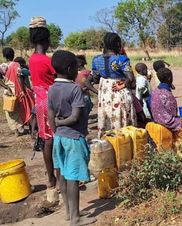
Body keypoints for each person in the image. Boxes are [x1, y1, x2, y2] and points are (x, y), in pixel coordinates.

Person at [48, 50, 96, 226]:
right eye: (76, 67)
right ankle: (76, 218)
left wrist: (56, 129)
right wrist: (61, 124)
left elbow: (50, 116)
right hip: (74, 138)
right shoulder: (75, 89)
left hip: (59, 139)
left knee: (62, 175)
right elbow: (75, 117)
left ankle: (68, 213)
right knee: (73, 178)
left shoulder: (52, 89)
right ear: (69, 69)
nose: (78, 71)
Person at [85, 32, 137, 137]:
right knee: (121, 120)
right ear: (117, 44)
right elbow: (130, 78)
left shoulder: (96, 59)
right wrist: (123, 85)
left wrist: (98, 92)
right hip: (119, 94)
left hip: (104, 96)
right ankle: (123, 144)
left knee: (107, 120)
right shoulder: (121, 59)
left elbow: (89, 81)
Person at [28, 16, 57, 188]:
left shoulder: (32, 59)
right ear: (46, 39)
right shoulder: (48, 61)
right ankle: (62, 178)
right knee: (58, 139)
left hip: (39, 102)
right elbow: (58, 79)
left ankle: (51, 178)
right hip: (52, 102)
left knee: (47, 140)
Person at [0, 47, 35, 135]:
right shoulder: (16, 65)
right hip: (18, 89)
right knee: (22, 109)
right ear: (13, 54)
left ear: (4, 56)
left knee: (11, 111)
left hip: (8, 91)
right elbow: (20, 77)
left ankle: (16, 130)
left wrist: (6, 87)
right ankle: (22, 128)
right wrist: (23, 90)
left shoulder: (3, 66)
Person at [151, 67, 182, 132]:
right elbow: (173, 113)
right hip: (166, 122)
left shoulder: (155, 91)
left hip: (156, 119)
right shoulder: (167, 94)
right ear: (169, 78)